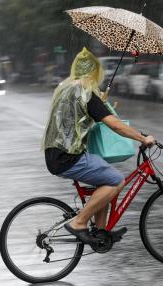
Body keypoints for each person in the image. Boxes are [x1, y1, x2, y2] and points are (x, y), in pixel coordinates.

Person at [42, 47, 155, 247]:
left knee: (104, 175)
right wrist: (142, 138)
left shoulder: (67, 88)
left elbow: (75, 118)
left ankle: (101, 232)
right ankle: (79, 223)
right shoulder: (86, 94)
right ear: (93, 73)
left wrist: (99, 104)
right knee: (116, 180)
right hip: (68, 157)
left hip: (55, 153)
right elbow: (115, 125)